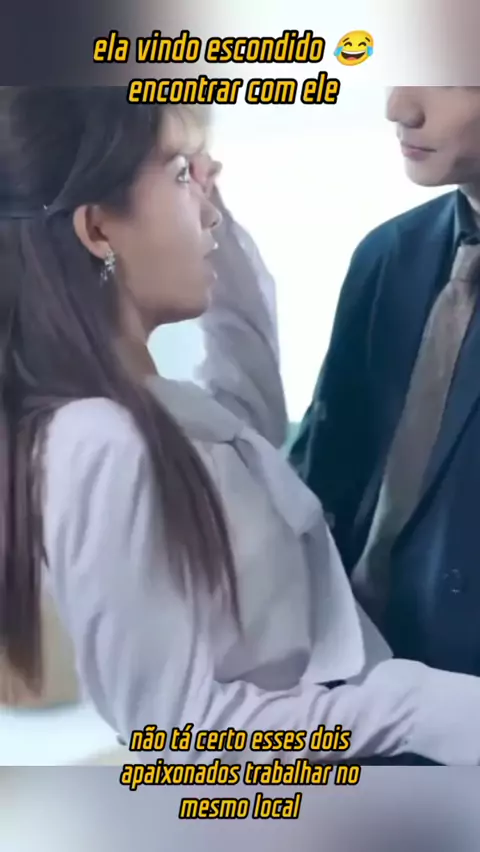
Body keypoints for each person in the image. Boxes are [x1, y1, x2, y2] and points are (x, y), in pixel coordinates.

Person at [2, 87, 480, 769]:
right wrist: (415, 708)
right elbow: (182, 732)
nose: (206, 199)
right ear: (100, 231)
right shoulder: (98, 439)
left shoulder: (160, 411)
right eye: (180, 174)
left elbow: (248, 400)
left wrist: (208, 215)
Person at [290, 86, 480, 678]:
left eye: (447, 79)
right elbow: (323, 475)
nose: (399, 107)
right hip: (359, 678)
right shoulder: (388, 253)